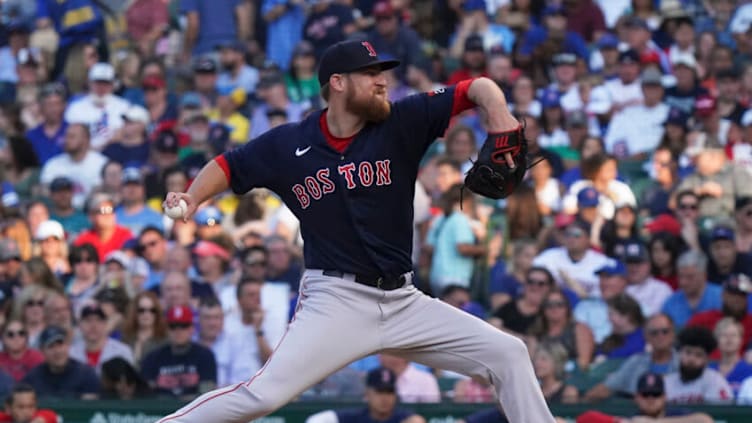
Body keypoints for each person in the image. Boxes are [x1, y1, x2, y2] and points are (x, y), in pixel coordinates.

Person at [159, 40, 554, 422]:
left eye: (382, 73)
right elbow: (228, 166)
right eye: (370, 73)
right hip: (336, 301)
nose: (382, 80)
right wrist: (193, 197)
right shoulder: (289, 144)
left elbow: (478, 88)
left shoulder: (402, 121)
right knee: (261, 396)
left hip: (404, 300)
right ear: (338, 82)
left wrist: (501, 115)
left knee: (509, 354)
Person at [577, 372, 715, 423]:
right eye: (645, 394)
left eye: (656, 394)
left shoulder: (677, 414)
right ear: (636, 397)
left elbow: (705, 420)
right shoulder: (631, 419)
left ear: (664, 396)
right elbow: (585, 418)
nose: (651, 398)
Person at [304, 367, 425, 423]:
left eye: (389, 392)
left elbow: (417, 420)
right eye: (379, 392)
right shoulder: (357, 417)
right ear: (368, 394)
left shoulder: (402, 417)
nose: (385, 398)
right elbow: (316, 420)